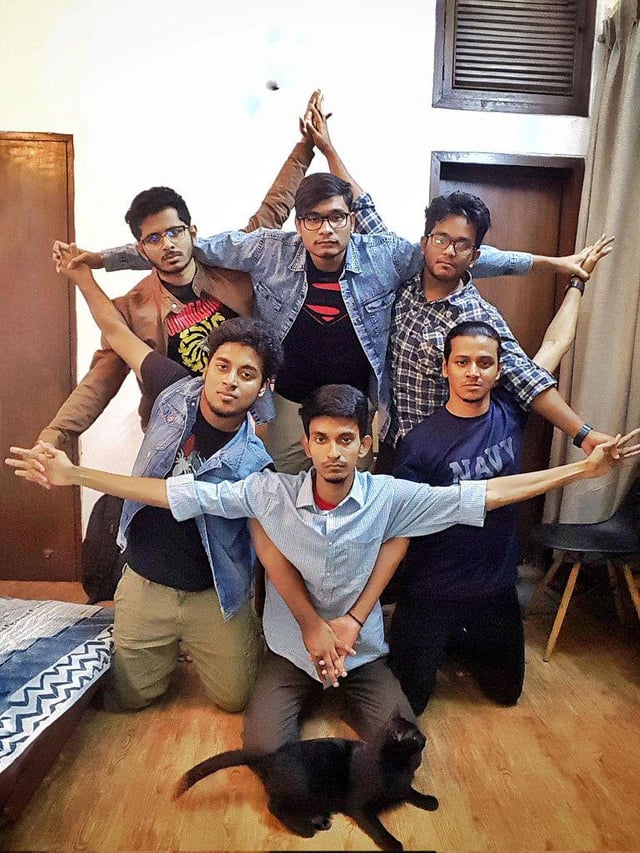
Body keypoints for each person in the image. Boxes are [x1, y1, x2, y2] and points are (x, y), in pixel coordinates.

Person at [8, 387, 639, 750]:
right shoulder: (270, 492)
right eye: (321, 439)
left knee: (402, 741)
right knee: (262, 747)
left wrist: (581, 469)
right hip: (289, 652)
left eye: (346, 439)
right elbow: (176, 493)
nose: (333, 452)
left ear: (365, 444)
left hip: (361, 654)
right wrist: (75, 474)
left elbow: (485, 494)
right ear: (306, 442)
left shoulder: (391, 496)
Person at [69, 96, 594, 474]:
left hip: (356, 407)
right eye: (313, 219)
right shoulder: (270, 249)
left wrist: (553, 264)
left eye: (337, 218)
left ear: (351, 220)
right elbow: (184, 245)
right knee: (278, 502)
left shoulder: (384, 254)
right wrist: (103, 259)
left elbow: (463, 254)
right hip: (286, 405)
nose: (326, 230)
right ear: (298, 224)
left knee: (349, 513)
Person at [42, 245, 283, 712]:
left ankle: (203, 642)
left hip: (213, 596)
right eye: (222, 366)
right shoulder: (173, 389)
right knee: (130, 699)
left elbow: (171, 495)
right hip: (146, 582)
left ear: (262, 389)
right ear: (207, 366)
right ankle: (159, 646)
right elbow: (116, 331)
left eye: (247, 374)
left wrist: (74, 474)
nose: (230, 381)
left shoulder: (254, 465)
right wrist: (82, 275)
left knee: (236, 700)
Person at [39, 91, 318, 451]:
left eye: (174, 232)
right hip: (177, 436)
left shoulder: (229, 266)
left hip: (252, 425)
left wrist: (306, 147)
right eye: (154, 238)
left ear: (192, 232)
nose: (168, 244)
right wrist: (55, 434)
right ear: (141, 248)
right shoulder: (132, 308)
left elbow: (274, 208)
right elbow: (100, 382)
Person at [350, 189, 615, 472]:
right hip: (392, 443)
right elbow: (369, 217)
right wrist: (332, 161)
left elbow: (529, 379)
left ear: (475, 256)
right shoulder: (402, 285)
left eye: (462, 244)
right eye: (441, 239)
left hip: (445, 455)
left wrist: (583, 433)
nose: (449, 251)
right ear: (425, 243)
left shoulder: (479, 318)